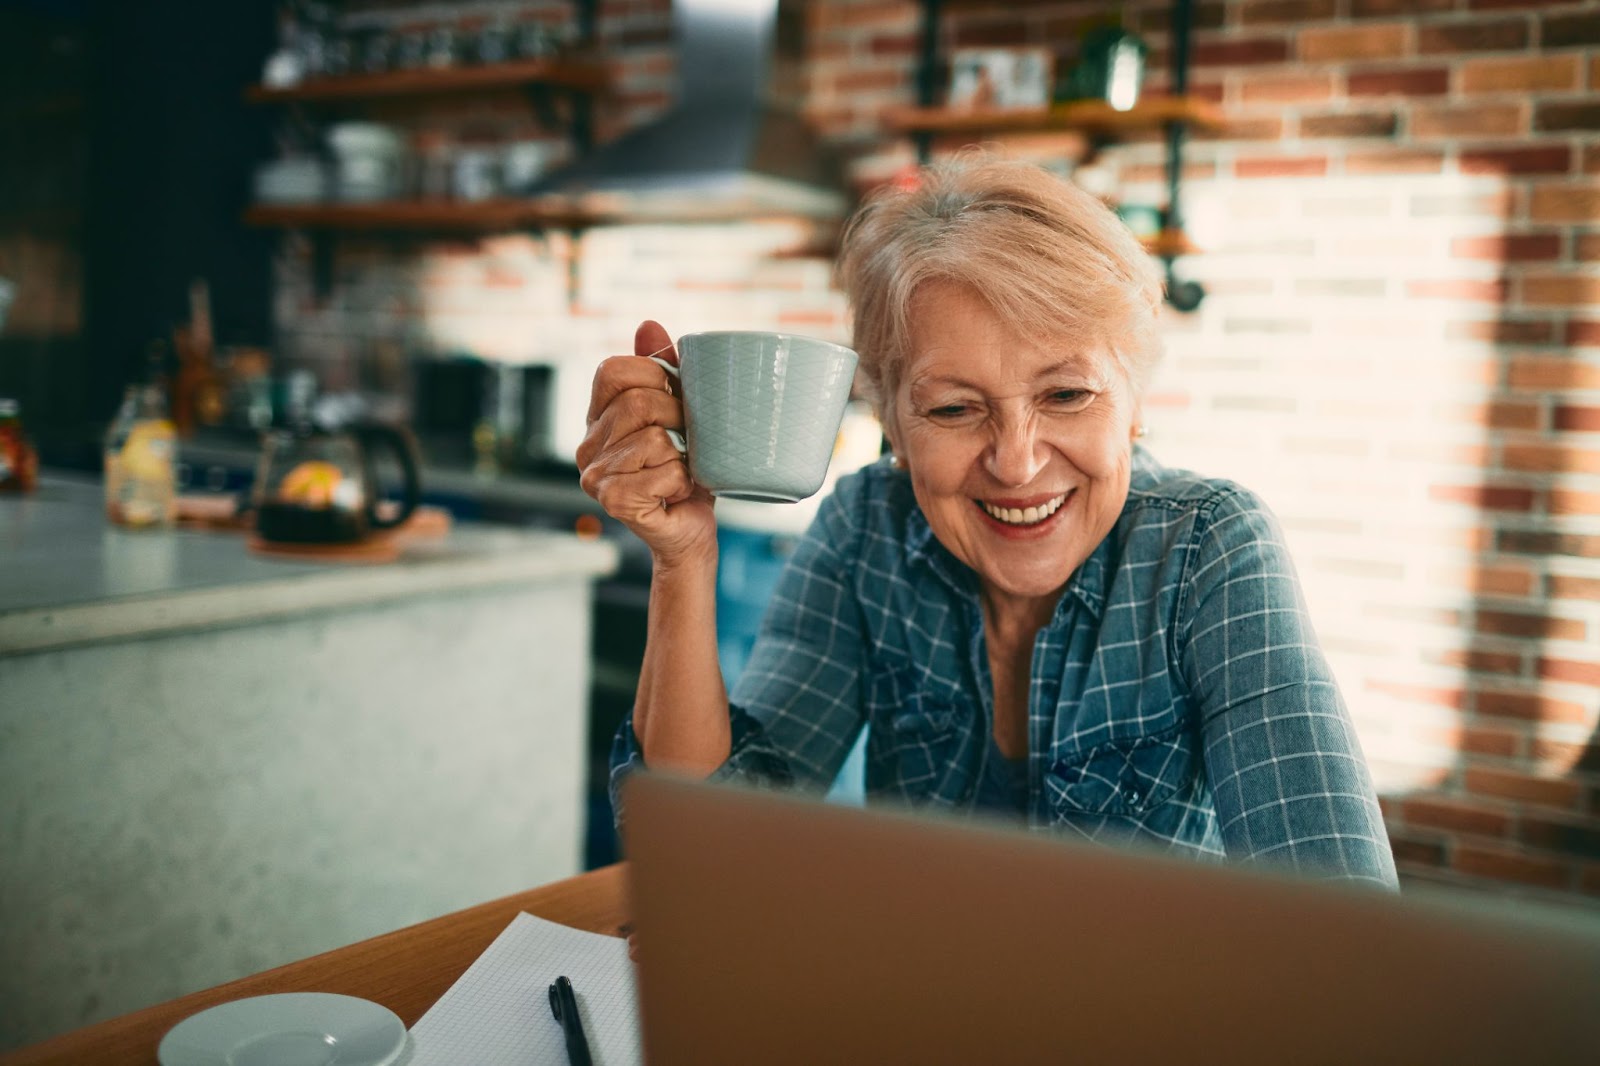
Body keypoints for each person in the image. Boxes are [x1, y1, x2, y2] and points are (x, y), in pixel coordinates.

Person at [578, 156, 1398, 888]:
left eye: (1066, 395)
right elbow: (710, 854)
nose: (1015, 461)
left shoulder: (1208, 548)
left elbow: (1338, 924)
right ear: (892, 427)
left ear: (1134, 404)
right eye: (954, 408)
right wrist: (683, 557)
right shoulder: (866, 530)